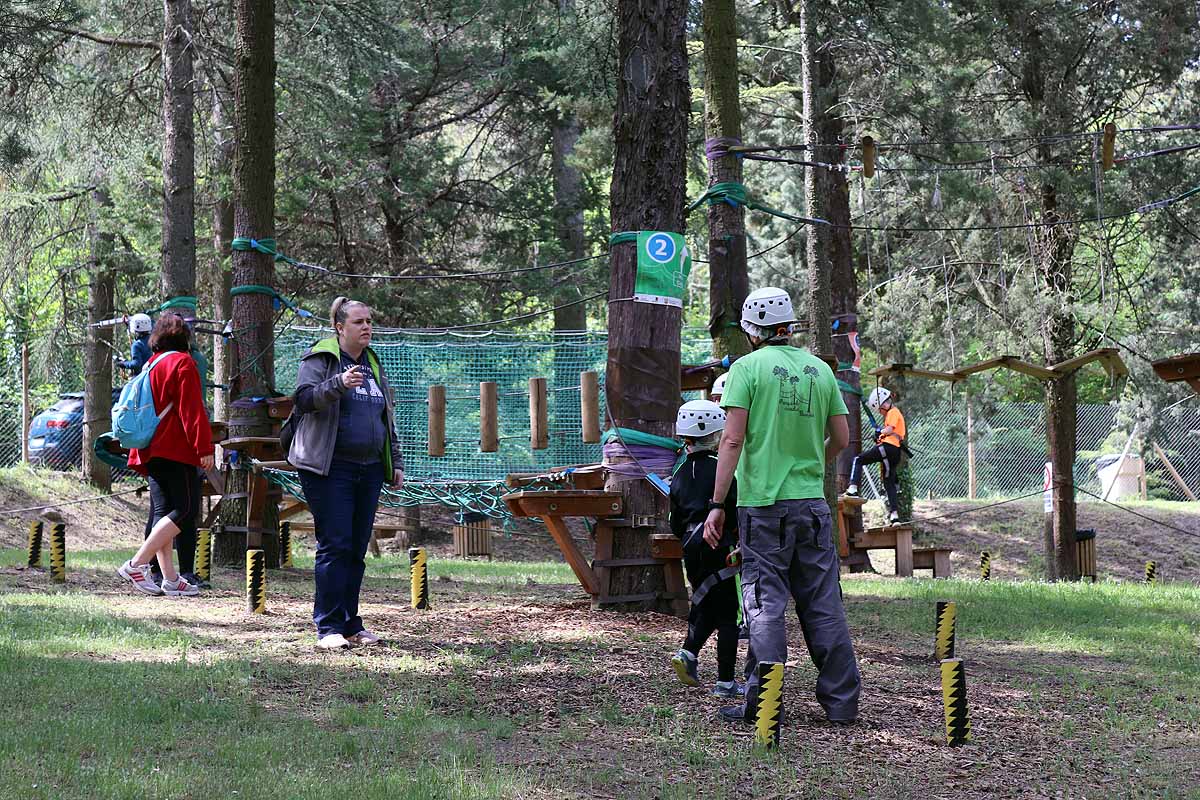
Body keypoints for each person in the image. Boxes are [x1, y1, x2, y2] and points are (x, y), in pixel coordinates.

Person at [704, 286, 861, 726]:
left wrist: (717, 504)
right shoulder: (820, 370)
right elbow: (843, 440)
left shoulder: (745, 370)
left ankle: (764, 704)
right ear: (788, 326)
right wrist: (810, 464)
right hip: (811, 505)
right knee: (822, 602)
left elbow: (732, 439)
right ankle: (842, 705)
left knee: (764, 603)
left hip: (763, 506)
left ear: (752, 331)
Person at [288, 297, 404, 650]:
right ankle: (328, 627)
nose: (366, 326)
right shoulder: (322, 357)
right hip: (328, 466)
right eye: (358, 321)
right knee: (335, 544)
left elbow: (386, 415)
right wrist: (338, 384)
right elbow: (303, 399)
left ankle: (352, 624)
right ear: (340, 328)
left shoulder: (372, 362)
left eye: (369, 320)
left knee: (355, 549)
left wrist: (395, 461)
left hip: (368, 468)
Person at [116, 313, 214, 597]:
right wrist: (204, 449)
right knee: (185, 510)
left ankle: (170, 579)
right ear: (184, 337)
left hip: (149, 447)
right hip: (175, 449)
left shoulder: (151, 363)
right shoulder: (183, 363)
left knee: (163, 512)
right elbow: (192, 411)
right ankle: (136, 564)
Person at [669, 399, 744, 699]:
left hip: (691, 549)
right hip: (720, 547)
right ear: (716, 434)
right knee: (729, 615)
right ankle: (725, 682)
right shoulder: (722, 469)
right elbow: (734, 509)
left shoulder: (679, 474)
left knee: (708, 605)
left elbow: (674, 521)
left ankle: (688, 653)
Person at [846, 387, 906, 524]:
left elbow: (889, 429)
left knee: (858, 460)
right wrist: (880, 435)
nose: (880, 412)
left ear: (884, 404)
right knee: (889, 483)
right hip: (895, 452)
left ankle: (852, 488)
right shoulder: (893, 413)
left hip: (888, 448)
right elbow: (891, 432)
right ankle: (894, 515)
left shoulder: (893, 412)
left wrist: (880, 433)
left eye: (880, 410)